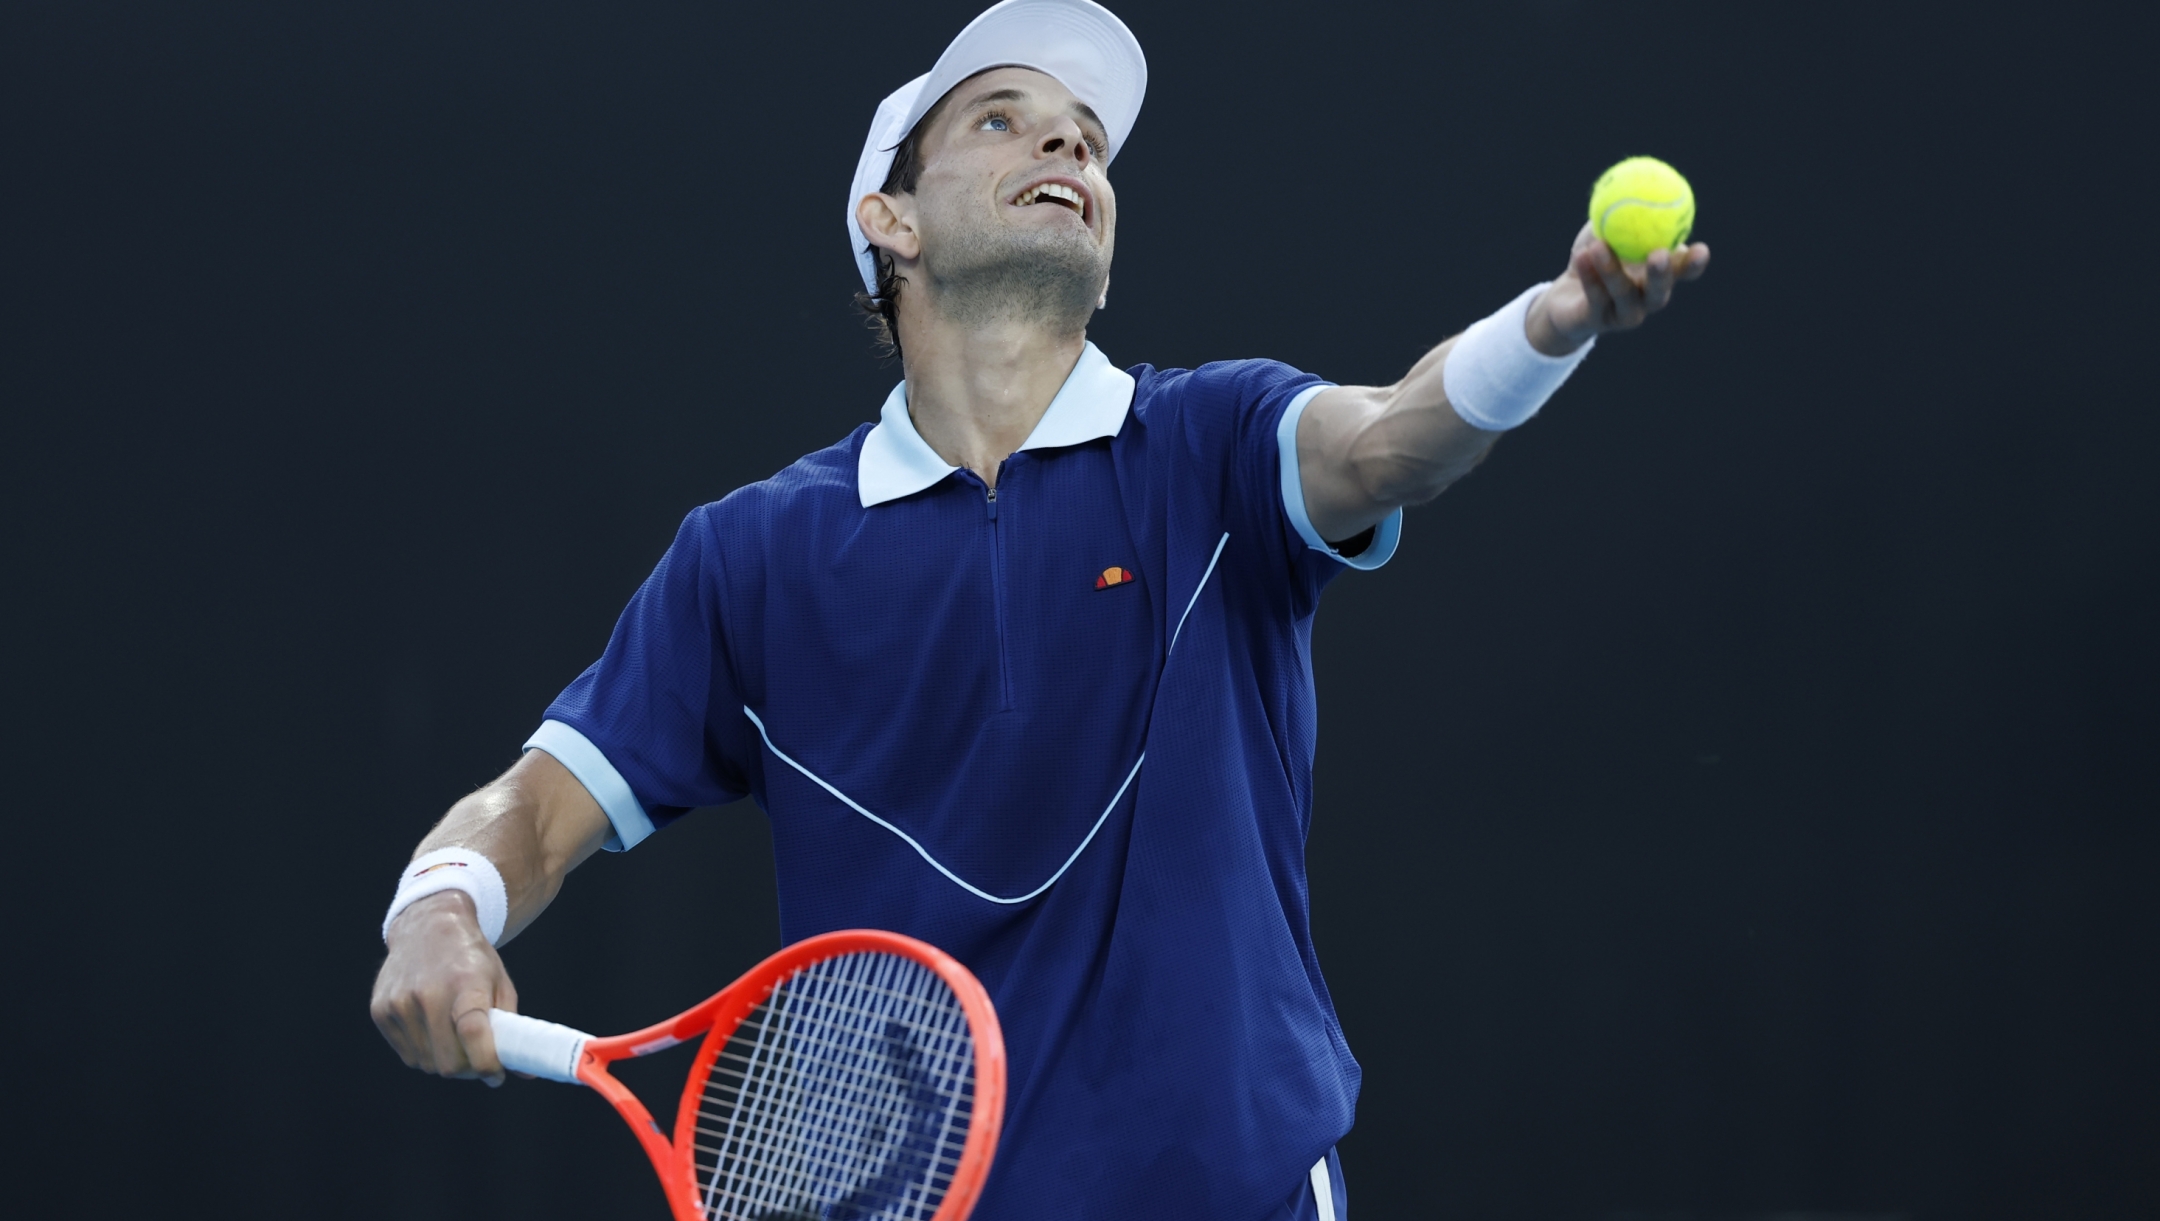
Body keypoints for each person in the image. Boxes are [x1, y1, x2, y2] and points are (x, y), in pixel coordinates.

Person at [368, 1, 1709, 1217]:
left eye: (1086, 141)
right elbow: (537, 805)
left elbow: (1388, 442)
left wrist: (1554, 324)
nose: (1066, 145)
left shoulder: (1213, 441)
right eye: (1001, 120)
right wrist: (439, 906)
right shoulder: (753, 556)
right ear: (888, 222)